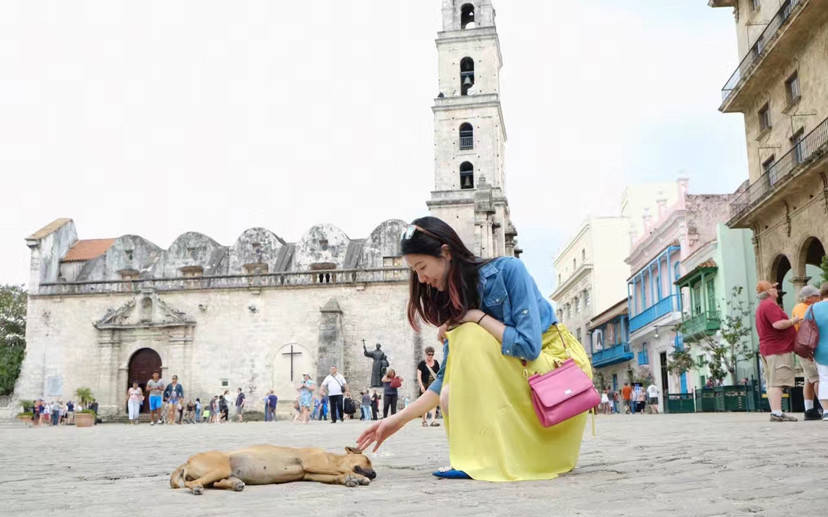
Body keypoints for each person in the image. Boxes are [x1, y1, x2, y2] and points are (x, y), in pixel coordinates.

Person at [356, 216, 593, 481]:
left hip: (554, 367)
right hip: (519, 369)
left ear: (446, 253)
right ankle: (473, 459)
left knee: (468, 335)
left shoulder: (508, 270)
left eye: (422, 267)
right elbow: (446, 377)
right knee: (448, 392)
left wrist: (475, 317)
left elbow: (528, 346)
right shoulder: (456, 302)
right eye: (415, 272)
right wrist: (395, 421)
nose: (421, 279)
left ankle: (503, 457)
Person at [755, 280, 799, 422]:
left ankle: (777, 411)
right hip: (776, 349)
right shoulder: (769, 305)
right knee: (776, 382)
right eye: (774, 288)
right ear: (769, 292)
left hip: (770, 348)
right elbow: (778, 324)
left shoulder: (763, 306)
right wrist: (794, 320)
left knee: (772, 382)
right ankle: (776, 413)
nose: (776, 289)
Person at [791, 285, 822, 420]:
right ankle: (824, 407)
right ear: (809, 298)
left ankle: (809, 409)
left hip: (802, 347)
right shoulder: (804, 308)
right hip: (806, 348)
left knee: (809, 379)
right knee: (817, 379)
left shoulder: (800, 307)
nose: (819, 298)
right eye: (816, 296)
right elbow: (810, 328)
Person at [805, 283, 828, 421]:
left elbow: (806, 329)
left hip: (820, 350)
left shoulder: (813, 308)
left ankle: (826, 411)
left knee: (824, 379)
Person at [417, 346, 441, 427]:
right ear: (426, 354)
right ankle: (424, 420)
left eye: (432, 354)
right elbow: (419, 376)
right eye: (429, 354)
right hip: (424, 384)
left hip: (433, 385)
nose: (430, 356)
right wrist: (421, 386)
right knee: (424, 403)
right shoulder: (422, 364)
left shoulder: (436, 363)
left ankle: (433, 420)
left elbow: (438, 375)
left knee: (433, 403)